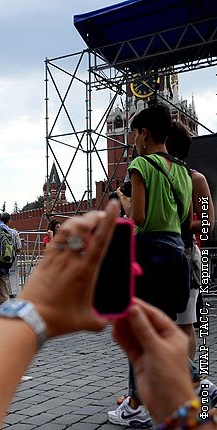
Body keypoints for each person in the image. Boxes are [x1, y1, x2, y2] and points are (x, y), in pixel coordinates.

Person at [0, 201, 217, 430]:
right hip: (177, 259)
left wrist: (36, 309)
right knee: (185, 325)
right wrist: (179, 407)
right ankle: (198, 380)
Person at [113, 103, 193, 427]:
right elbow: (187, 221)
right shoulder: (184, 171)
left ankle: (137, 403)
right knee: (162, 329)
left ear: (144, 133)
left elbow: (139, 218)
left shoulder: (141, 164)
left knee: (138, 330)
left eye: (134, 134)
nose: (133, 140)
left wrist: (125, 203)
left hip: (149, 253)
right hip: (176, 253)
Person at [165, 122, 215, 359]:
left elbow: (208, 222)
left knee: (184, 324)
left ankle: (188, 382)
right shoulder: (153, 176)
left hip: (184, 255)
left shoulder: (195, 179)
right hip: (156, 257)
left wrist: (178, 224)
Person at [1, 212, 23, 297]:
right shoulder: (14, 233)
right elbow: (19, 248)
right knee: (13, 282)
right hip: (12, 261)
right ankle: (11, 296)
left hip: (0, 262)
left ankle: (4, 297)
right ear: (9, 221)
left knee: (2, 282)